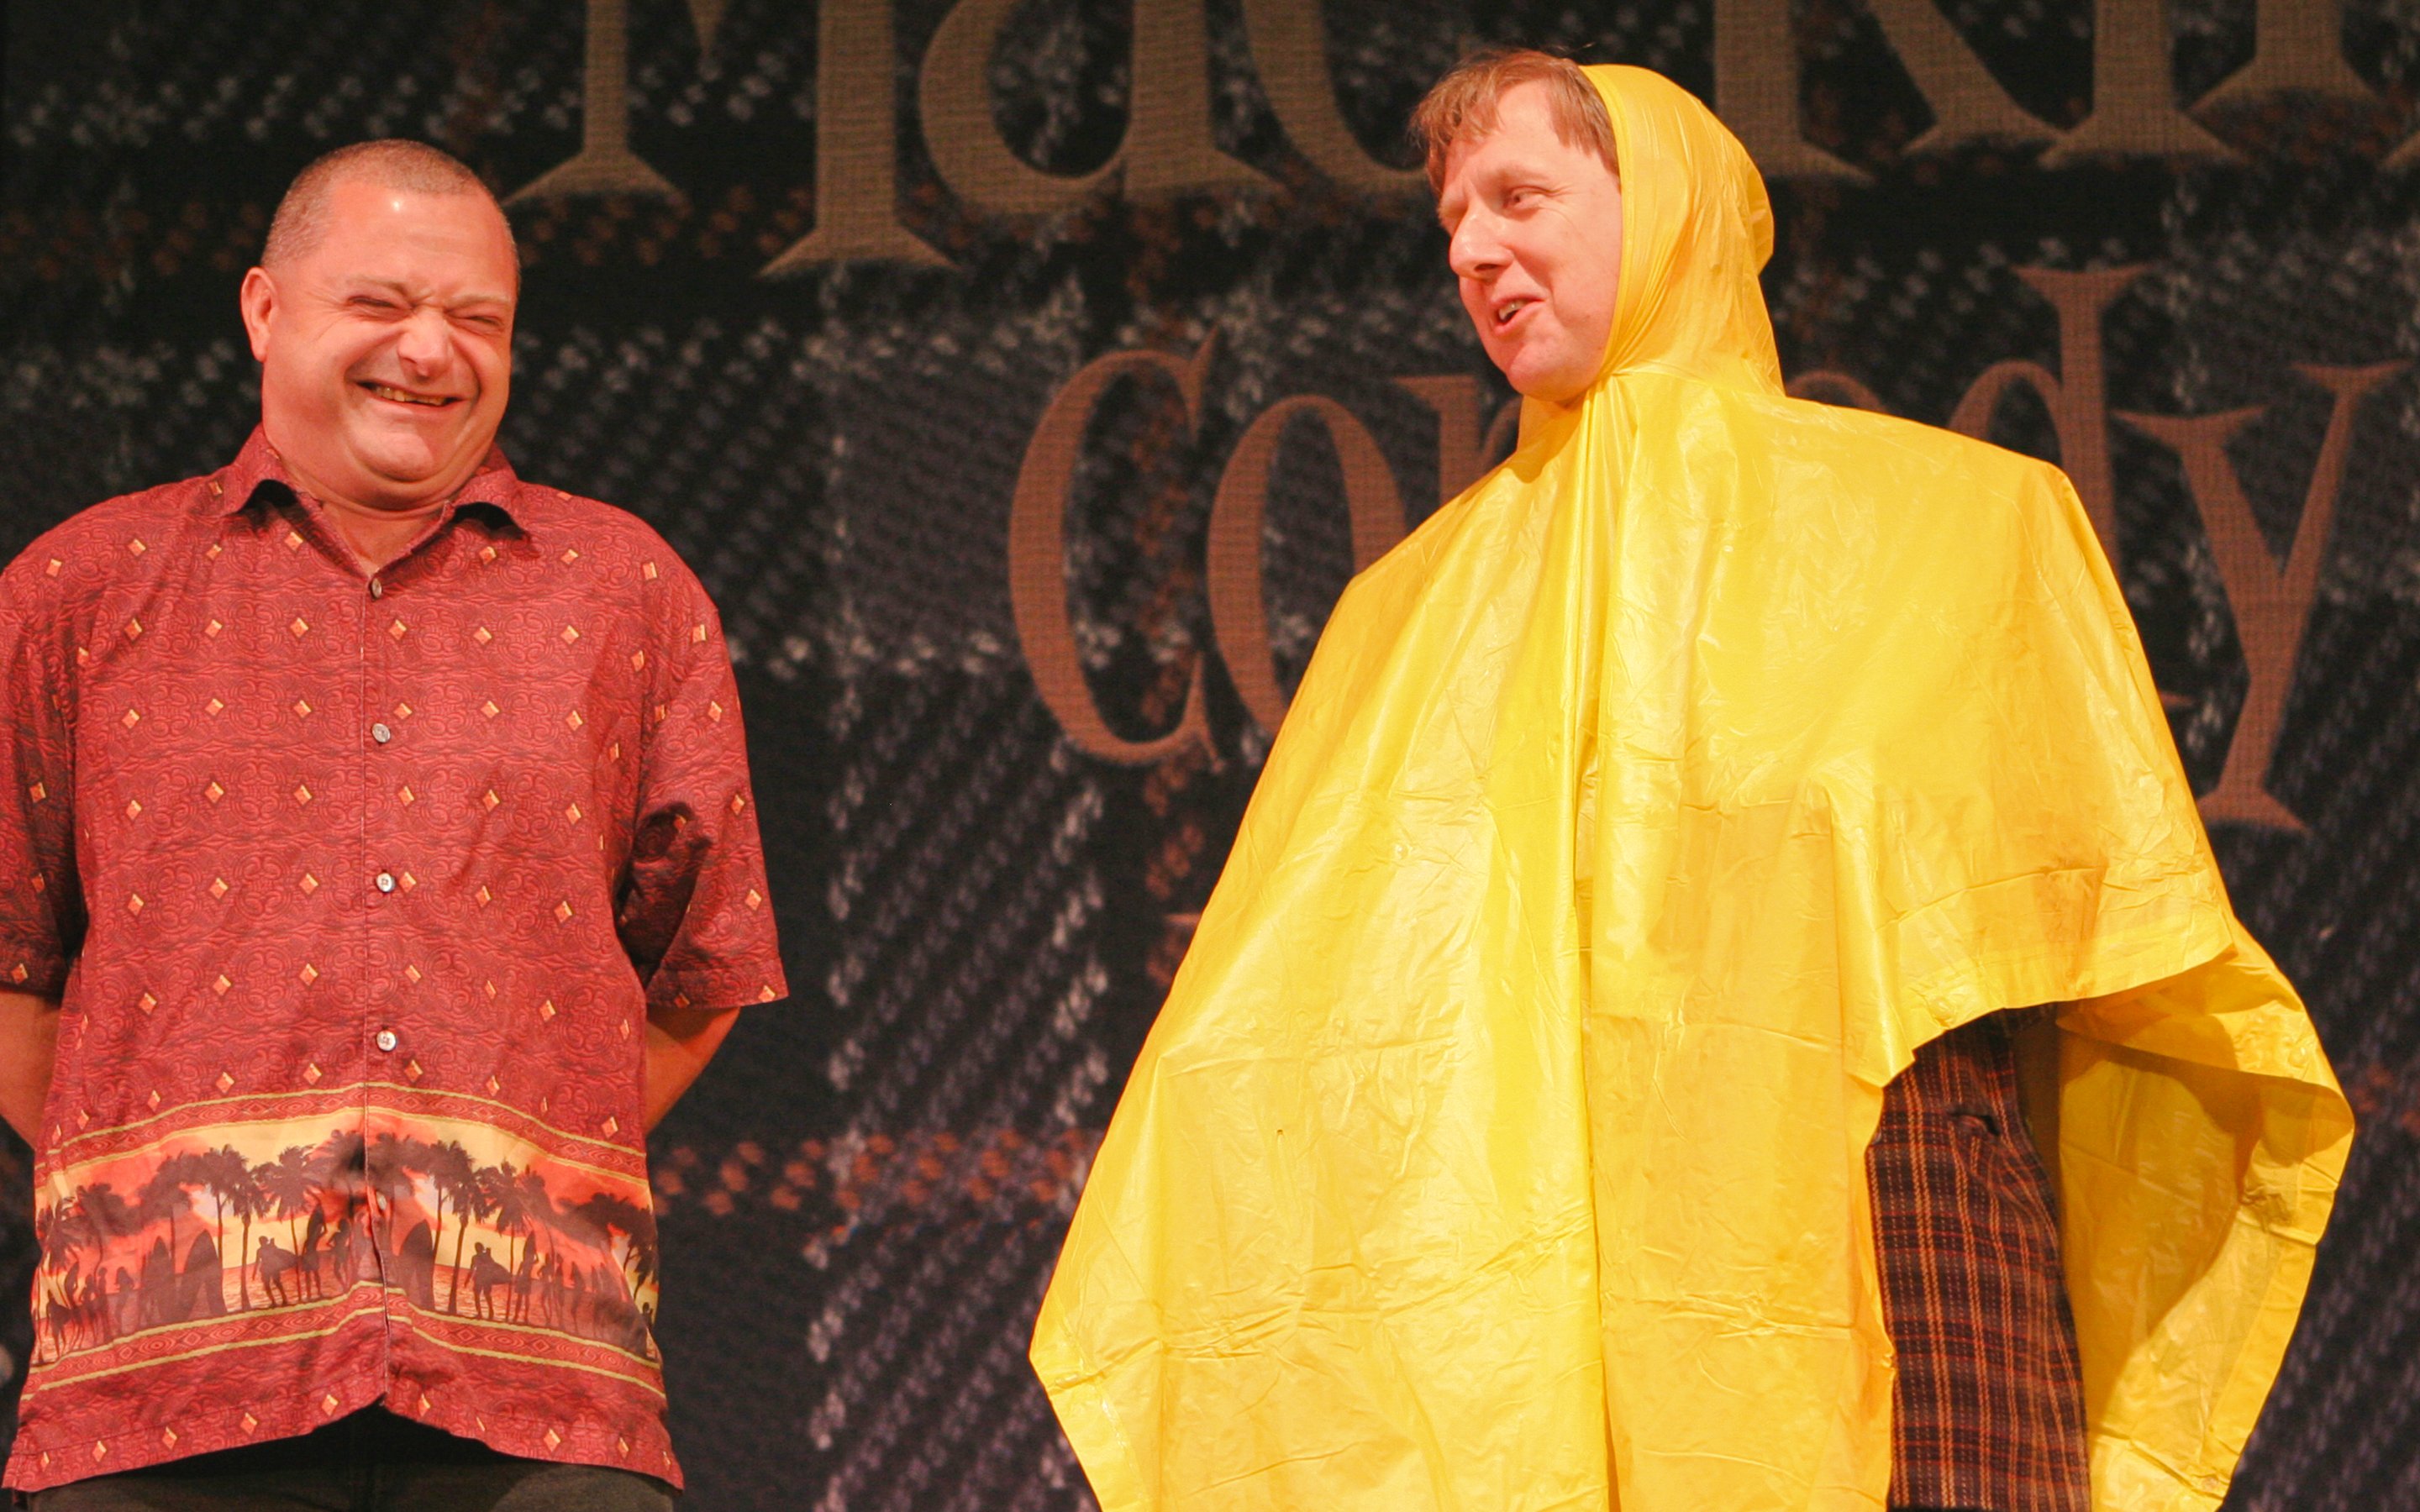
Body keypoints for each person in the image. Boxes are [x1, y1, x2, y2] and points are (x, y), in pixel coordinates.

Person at [1032, 55, 2351, 1512]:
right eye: (1452, 221)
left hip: (1886, 1237)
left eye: (1519, 195)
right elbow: (1275, 1028)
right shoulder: (1403, 616)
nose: (1472, 250)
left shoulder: (1962, 531)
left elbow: (2117, 937)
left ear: (1659, 207)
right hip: (1528, 1296)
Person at [0, 139, 785, 1507]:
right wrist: (161, 1192)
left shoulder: (624, 594)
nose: (430, 351)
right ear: (264, 310)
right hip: (157, 1408)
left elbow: (702, 969)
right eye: (381, 305)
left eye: (477, 320)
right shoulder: (77, 592)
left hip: (542, 1412)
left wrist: (506, 1160)